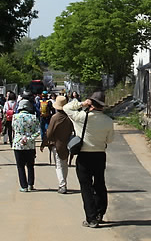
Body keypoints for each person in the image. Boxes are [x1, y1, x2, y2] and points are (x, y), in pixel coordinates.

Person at [63, 91, 114, 228]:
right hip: (99, 154)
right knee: (99, 184)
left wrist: (82, 103)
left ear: (91, 103)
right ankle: (99, 213)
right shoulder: (108, 121)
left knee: (86, 187)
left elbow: (66, 108)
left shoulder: (81, 117)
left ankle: (91, 218)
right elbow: (110, 140)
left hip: (84, 155)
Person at [40, 95, 73, 194]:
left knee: (58, 166)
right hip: (67, 144)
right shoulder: (70, 117)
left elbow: (49, 133)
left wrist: (44, 143)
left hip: (56, 144)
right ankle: (64, 183)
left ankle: (62, 185)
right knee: (64, 164)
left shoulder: (55, 117)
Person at [12, 99, 40, 192]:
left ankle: (23, 186)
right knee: (30, 165)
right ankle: (30, 184)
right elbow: (38, 131)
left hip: (18, 144)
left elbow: (14, 128)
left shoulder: (15, 117)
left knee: (20, 166)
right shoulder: (33, 117)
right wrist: (29, 138)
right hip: (30, 144)